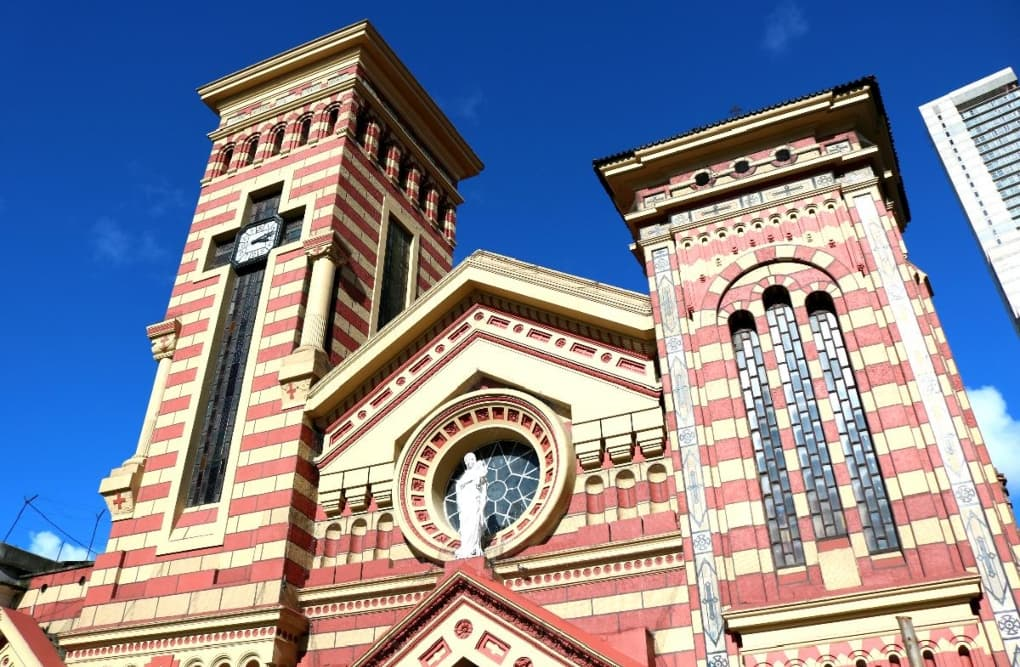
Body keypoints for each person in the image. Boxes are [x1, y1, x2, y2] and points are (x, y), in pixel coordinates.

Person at [453, 452, 488, 558]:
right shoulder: (464, 476)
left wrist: (482, 508)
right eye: (467, 460)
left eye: (472, 459)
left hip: (474, 501)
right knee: (465, 525)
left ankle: (473, 547)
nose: (470, 462)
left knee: (473, 523)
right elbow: (459, 488)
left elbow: (484, 491)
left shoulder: (479, 473)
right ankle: (465, 547)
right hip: (465, 503)